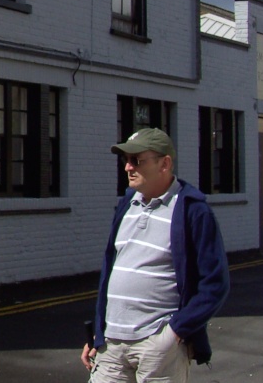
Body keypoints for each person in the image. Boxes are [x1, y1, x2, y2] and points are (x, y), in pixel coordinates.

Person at [82, 127, 229, 382]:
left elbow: (215, 284)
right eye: (126, 161)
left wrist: (174, 333)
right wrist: (98, 333)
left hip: (157, 347)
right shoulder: (126, 204)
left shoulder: (193, 211)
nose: (128, 167)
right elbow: (110, 271)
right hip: (112, 346)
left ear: (165, 163)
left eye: (137, 160)